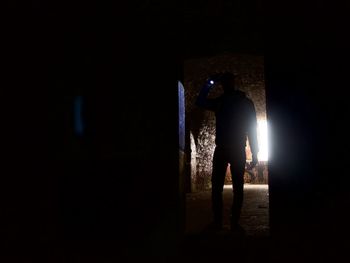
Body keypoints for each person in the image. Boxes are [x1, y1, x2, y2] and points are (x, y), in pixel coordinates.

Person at [196, 72, 259, 232]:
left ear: (224, 84)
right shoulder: (245, 103)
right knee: (237, 188)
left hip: (223, 149)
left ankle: (219, 222)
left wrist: (210, 83)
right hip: (235, 149)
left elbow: (200, 101)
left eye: (224, 82)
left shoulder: (221, 102)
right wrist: (255, 153)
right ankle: (233, 223)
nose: (224, 84)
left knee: (218, 188)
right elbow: (252, 130)